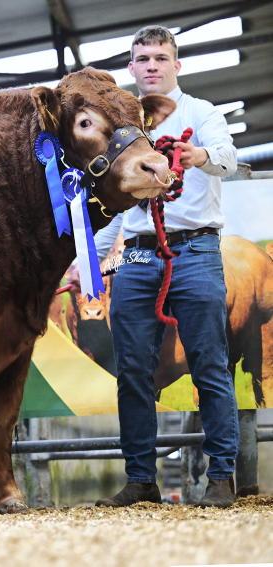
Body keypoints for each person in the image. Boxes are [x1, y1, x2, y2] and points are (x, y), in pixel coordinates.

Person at [93, 25, 238, 507]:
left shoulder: (203, 113)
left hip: (195, 252)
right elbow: (118, 205)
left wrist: (198, 154)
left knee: (209, 366)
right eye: (143, 59)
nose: (152, 65)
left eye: (160, 57)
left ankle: (221, 476)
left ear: (177, 64)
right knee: (133, 370)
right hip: (136, 251)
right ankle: (140, 480)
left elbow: (229, 158)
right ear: (131, 68)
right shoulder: (121, 126)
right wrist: (88, 260)